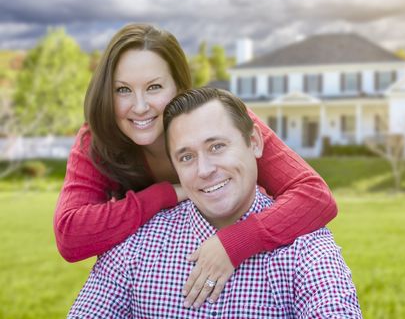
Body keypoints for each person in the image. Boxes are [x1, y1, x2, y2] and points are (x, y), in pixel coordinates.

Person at [54, 23, 337, 304]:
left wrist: (235, 243)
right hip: (163, 262)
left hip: (250, 257)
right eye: (123, 90)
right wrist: (170, 193)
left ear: (179, 86)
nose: (139, 106)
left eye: (154, 87)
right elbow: (70, 236)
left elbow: (315, 196)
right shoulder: (98, 140)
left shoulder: (221, 121)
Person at [68, 88, 362, 318]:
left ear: (255, 142)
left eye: (217, 147)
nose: (204, 169)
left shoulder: (307, 249)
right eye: (186, 156)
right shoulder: (137, 244)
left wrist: (238, 241)